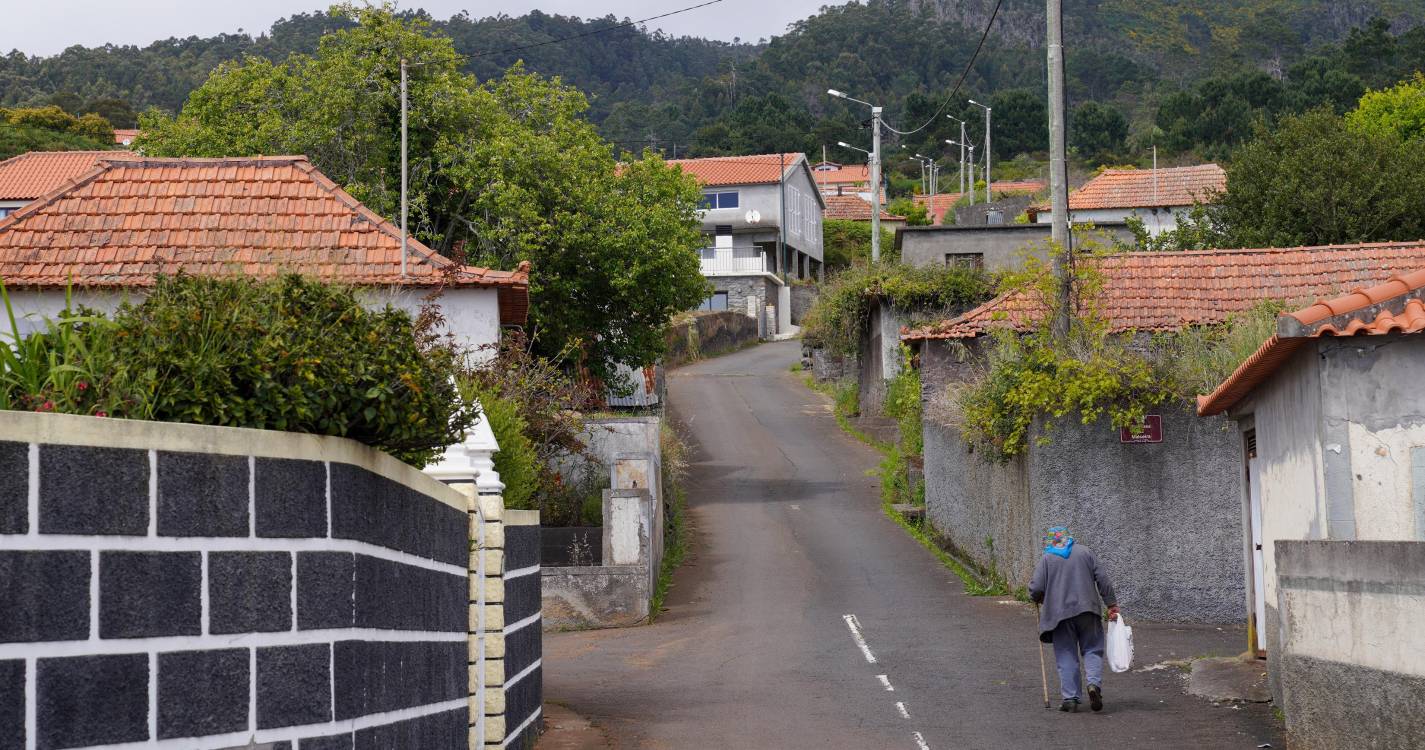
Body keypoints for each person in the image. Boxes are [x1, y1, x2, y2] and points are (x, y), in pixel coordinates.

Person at [1028, 526, 1118, 713]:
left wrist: (1037, 597)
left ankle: (1071, 699)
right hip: (1088, 610)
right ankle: (1093, 685)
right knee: (1093, 649)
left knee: (1066, 653)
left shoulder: (1047, 558)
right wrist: (1111, 604)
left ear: (1052, 541)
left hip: (1059, 616)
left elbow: (1036, 588)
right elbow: (1103, 579)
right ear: (1069, 538)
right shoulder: (1085, 552)